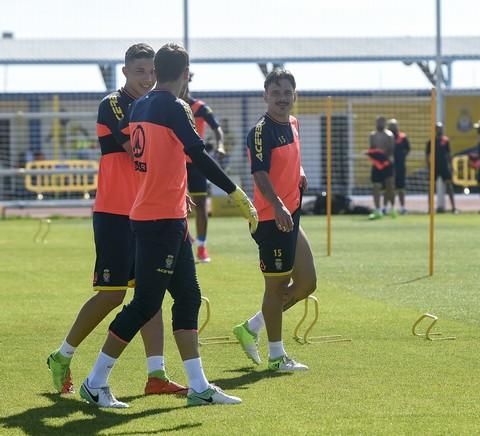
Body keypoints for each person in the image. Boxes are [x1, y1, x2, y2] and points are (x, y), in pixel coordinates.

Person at [78, 43, 258, 408]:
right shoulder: (175, 107)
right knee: (144, 304)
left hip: (166, 214)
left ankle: (199, 387)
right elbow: (198, 157)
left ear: (157, 71)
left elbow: (156, 157)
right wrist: (236, 192)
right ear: (185, 73)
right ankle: (95, 382)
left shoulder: (142, 105)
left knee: (188, 295)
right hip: (158, 219)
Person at [47, 43, 187, 397]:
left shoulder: (150, 106)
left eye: (152, 72)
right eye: (140, 71)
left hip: (147, 212)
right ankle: (62, 355)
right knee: (111, 295)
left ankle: (156, 374)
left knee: (149, 293)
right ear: (125, 72)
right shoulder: (113, 104)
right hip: (114, 212)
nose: (147, 78)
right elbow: (141, 150)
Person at [232, 69, 316, 372]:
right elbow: (259, 173)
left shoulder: (293, 123)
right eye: (276, 92)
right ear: (265, 95)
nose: (282, 98)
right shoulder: (260, 131)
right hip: (272, 218)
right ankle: (277, 356)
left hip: (291, 214)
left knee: (307, 283)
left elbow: (293, 158)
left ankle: (251, 327)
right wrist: (278, 205)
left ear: (294, 95)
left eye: (287, 92)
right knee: (276, 287)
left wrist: (301, 172)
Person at [181, 73, 226, 263]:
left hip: (197, 162)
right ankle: (182, 243)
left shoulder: (199, 108)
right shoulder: (168, 106)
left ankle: (201, 247)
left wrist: (220, 145)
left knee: (200, 205)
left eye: (185, 80)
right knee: (176, 206)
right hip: (175, 163)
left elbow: (217, 128)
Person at [366, 116, 395, 219]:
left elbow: (391, 150)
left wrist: (383, 159)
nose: (380, 124)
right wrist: (375, 158)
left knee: (389, 187)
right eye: (378, 122)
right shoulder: (372, 135)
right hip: (376, 165)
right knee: (376, 187)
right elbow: (372, 149)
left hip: (387, 164)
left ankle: (391, 208)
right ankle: (378, 210)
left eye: (382, 122)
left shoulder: (389, 135)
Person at [425, 122, 457, 213]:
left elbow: (449, 154)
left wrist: (451, 166)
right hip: (434, 167)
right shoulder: (431, 141)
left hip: (444, 167)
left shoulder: (445, 141)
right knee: (431, 188)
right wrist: (429, 167)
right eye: (438, 128)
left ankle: (453, 207)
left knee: (449, 186)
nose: (439, 130)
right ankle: (430, 208)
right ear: (435, 130)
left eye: (441, 128)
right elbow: (427, 155)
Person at [388, 118, 410, 214]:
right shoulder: (387, 136)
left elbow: (408, 148)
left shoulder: (402, 137)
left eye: (394, 125)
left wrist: (402, 156)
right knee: (389, 187)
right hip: (389, 166)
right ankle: (390, 207)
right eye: (391, 126)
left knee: (401, 187)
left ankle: (402, 207)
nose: (393, 127)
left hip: (400, 166)